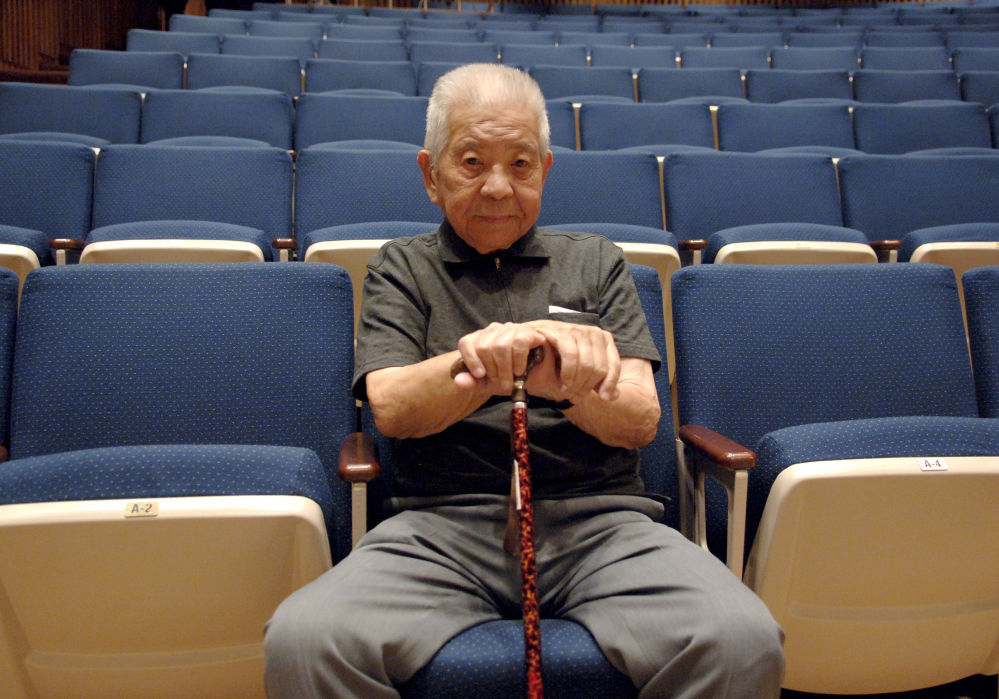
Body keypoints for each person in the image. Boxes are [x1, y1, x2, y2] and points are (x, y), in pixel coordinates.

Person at [264, 63, 785, 698]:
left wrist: (555, 380)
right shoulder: (399, 267)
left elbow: (641, 419)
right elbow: (394, 408)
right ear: (431, 175)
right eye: (472, 162)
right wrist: (482, 363)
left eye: (520, 164)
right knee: (307, 640)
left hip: (602, 526)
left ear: (545, 170)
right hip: (439, 528)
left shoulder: (597, 261)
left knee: (741, 639)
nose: (496, 187)